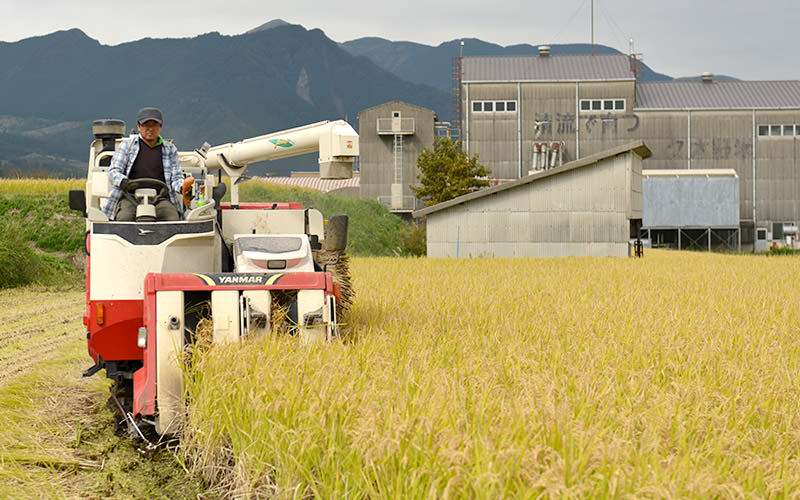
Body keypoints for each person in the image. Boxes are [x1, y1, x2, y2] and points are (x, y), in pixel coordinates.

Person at [104, 107, 184, 221]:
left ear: (160, 127)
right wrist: (123, 181)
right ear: (139, 126)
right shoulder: (127, 146)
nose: (150, 129)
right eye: (146, 125)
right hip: (131, 197)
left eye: (154, 125)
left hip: (159, 198)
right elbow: (113, 171)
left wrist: (183, 187)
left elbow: (176, 178)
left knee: (172, 217)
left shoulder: (170, 150)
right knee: (124, 218)